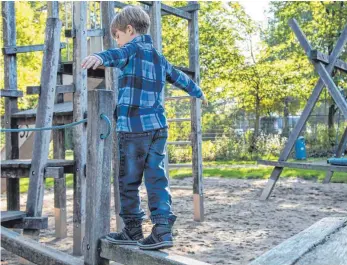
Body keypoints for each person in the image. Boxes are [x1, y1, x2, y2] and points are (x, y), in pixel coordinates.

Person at [81, 5, 207, 250]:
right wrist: (198, 92)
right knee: (156, 178)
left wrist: (100, 57)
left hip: (133, 130)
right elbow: (179, 77)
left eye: (117, 36)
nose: (118, 42)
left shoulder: (132, 49)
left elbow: (116, 55)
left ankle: (132, 229)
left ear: (129, 30)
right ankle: (162, 230)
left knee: (128, 181)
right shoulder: (159, 57)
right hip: (159, 129)